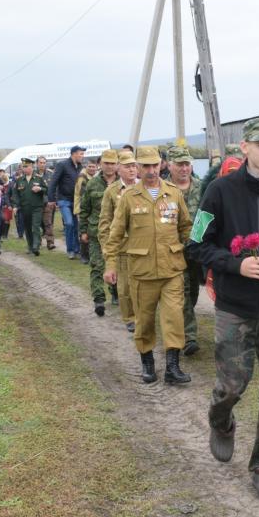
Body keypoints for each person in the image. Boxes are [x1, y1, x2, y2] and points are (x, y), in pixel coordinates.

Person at [187, 116, 259, 503]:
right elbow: (197, 245)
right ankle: (220, 420)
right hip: (234, 308)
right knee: (231, 387)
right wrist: (236, 265)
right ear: (245, 148)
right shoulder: (219, 191)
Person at [104, 146, 192, 385]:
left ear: (161, 165)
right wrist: (110, 265)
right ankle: (148, 363)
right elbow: (115, 234)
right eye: (145, 166)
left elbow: (185, 226)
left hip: (171, 269)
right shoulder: (128, 197)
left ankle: (173, 367)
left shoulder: (173, 193)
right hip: (142, 271)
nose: (151, 170)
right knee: (144, 321)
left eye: (154, 165)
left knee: (174, 318)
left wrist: (195, 246)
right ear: (138, 167)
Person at [168, 145, 204, 356]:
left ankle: (184, 320)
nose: (184, 168)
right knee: (183, 290)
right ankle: (189, 336)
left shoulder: (202, 187)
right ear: (169, 165)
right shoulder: (163, 190)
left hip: (198, 250)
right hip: (174, 250)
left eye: (187, 164)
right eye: (179, 164)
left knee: (194, 290)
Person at [100, 150, 138, 332]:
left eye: (134, 166)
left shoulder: (145, 187)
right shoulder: (112, 191)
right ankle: (130, 318)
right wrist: (108, 254)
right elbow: (105, 224)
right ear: (118, 169)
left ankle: (144, 315)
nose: (132, 170)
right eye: (127, 166)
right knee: (125, 288)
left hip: (144, 244)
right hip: (123, 247)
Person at [79, 149, 118, 315]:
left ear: (117, 165)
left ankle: (116, 293)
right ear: (100, 164)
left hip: (119, 234)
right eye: (106, 163)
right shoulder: (92, 184)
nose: (109, 166)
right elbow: (84, 209)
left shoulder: (123, 183)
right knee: (97, 265)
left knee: (118, 266)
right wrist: (83, 230)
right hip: (96, 233)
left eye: (112, 163)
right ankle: (99, 300)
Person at [49, 145, 85, 259]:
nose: (82, 156)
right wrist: (51, 199)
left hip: (76, 201)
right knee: (69, 223)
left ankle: (77, 249)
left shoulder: (81, 167)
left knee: (76, 226)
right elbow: (53, 182)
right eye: (81, 154)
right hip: (64, 200)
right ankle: (70, 250)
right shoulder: (62, 165)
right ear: (74, 154)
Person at [9, 157, 48, 255]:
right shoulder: (19, 180)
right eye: (24, 166)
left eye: (27, 166)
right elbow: (15, 194)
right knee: (28, 228)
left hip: (37, 207)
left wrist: (40, 189)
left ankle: (36, 246)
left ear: (32, 167)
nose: (25, 168)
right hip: (25, 208)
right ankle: (30, 246)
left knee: (35, 227)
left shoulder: (39, 178)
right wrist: (15, 206)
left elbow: (46, 190)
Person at [75, 156, 100, 264]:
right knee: (84, 230)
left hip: (95, 208)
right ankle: (84, 255)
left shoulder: (98, 177)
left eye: (93, 167)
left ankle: (92, 254)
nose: (91, 168)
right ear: (86, 167)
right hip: (83, 208)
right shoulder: (82, 177)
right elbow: (83, 195)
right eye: (89, 166)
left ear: (97, 167)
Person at [37, 155, 56, 250]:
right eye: (40, 163)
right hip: (36, 203)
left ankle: (50, 242)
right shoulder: (33, 174)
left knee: (48, 222)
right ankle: (37, 242)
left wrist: (54, 200)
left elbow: (54, 188)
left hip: (47, 202)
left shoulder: (50, 174)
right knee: (37, 223)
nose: (42, 164)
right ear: (37, 163)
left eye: (44, 163)